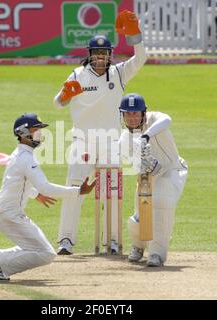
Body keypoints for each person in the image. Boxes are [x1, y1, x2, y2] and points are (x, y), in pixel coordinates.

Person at [53, 10, 148, 255]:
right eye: (96, 54)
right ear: (89, 55)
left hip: (110, 143)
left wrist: (134, 35)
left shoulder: (118, 73)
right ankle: (65, 240)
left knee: (112, 193)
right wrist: (66, 94)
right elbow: (57, 103)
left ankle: (114, 241)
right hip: (82, 142)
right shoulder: (77, 74)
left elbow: (141, 59)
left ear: (109, 55)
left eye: (104, 54)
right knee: (75, 189)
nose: (100, 58)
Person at [0, 113, 95, 281]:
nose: (40, 134)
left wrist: (36, 195)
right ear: (23, 133)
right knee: (46, 254)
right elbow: (46, 187)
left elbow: (16, 181)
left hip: (6, 213)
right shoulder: (25, 158)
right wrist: (78, 191)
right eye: (35, 130)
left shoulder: (19, 155)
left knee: (35, 249)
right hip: (9, 216)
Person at [118, 93, 188, 267]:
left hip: (173, 170)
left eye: (135, 113)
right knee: (138, 216)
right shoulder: (125, 139)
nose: (132, 118)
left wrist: (145, 136)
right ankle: (138, 246)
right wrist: (148, 166)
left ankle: (157, 254)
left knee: (161, 203)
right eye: (127, 113)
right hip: (148, 177)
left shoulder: (155, 119)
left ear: (143, 113)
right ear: (122, 115)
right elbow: (133, 166)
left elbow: (168, 120)